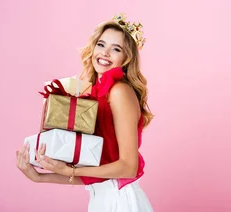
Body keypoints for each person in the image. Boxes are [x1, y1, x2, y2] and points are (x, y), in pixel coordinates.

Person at [16, 13, 154, 211]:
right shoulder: (97, 93)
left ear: (126, 58)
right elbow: (98, 176)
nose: (105, 53)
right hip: (101, 200)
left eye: (116, 49)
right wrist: (40, 177)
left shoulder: (119, 91)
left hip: (121, 202)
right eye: (101, 44)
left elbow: (128, 167)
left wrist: (68, 170)